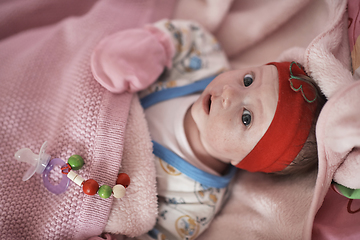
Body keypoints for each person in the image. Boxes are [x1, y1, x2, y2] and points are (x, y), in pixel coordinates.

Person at [91, 19, 326, 240]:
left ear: (243, 159)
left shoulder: (195, 204)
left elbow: (147, 231)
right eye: (248, 80)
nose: (230, 93)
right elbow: (184, 37)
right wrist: (148, 50)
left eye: (246, 118)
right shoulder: (203, 63)